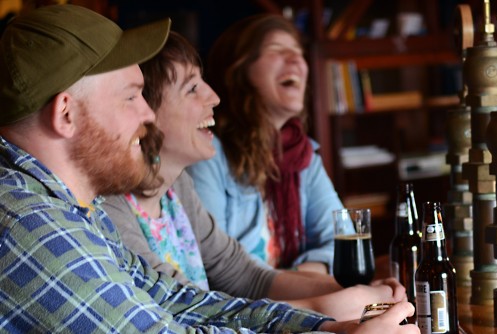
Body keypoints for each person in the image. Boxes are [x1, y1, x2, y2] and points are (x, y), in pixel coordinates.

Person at [0, 5, 418, 333]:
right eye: (131, 97)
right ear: (66, 115)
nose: (147, 116)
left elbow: (182, 302)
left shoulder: (76, 210)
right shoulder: (29, 223)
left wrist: (330, 325)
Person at [103, 30, 409, 322]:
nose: (213, 98)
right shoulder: (112, 205)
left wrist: (348, 292)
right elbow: (185, 305)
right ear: (143, 109)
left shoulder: (176, 187)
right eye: (192, 88)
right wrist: (320, 306)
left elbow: (243, 272)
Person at [187, 14, 342, 273]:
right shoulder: (208, 154)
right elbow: (214, 267)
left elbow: (343, 240)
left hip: (302, 300)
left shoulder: (303, 156)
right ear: (238, 70)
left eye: (298, 52)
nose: (296, 60)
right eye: (277, 50)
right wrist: (299, 289)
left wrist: (304, 277)